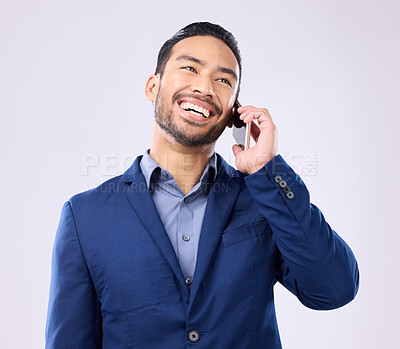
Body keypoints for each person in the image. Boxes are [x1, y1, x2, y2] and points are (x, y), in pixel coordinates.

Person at [45, 22, 359, 349]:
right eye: (190, 68)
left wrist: (267, 170)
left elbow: (334, 290)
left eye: (223, 80)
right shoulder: (85, 216)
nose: (205, 87)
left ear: (234, 114)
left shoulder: (263, 201)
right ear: (153, 87)